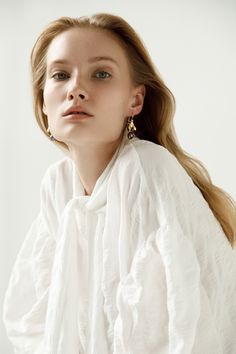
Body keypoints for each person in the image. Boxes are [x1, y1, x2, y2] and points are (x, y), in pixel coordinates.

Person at [3, 12, 236, 354]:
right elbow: (30, 318)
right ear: (43, 104)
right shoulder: (58, 186)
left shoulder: (145, 169)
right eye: (60, 75)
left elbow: (173, 333)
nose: (76, 89)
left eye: (101, 74)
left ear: (135, 100)